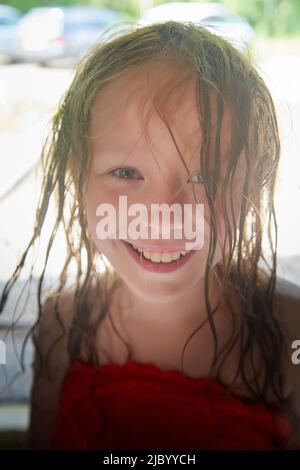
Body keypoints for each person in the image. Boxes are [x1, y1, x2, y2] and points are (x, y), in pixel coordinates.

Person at [1, 21, 299, 450]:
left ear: (255, 187)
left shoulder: (290, 332)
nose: (163, 215)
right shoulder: (63, 325)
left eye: (206, 176)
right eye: (126, 173)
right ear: (76, 180)